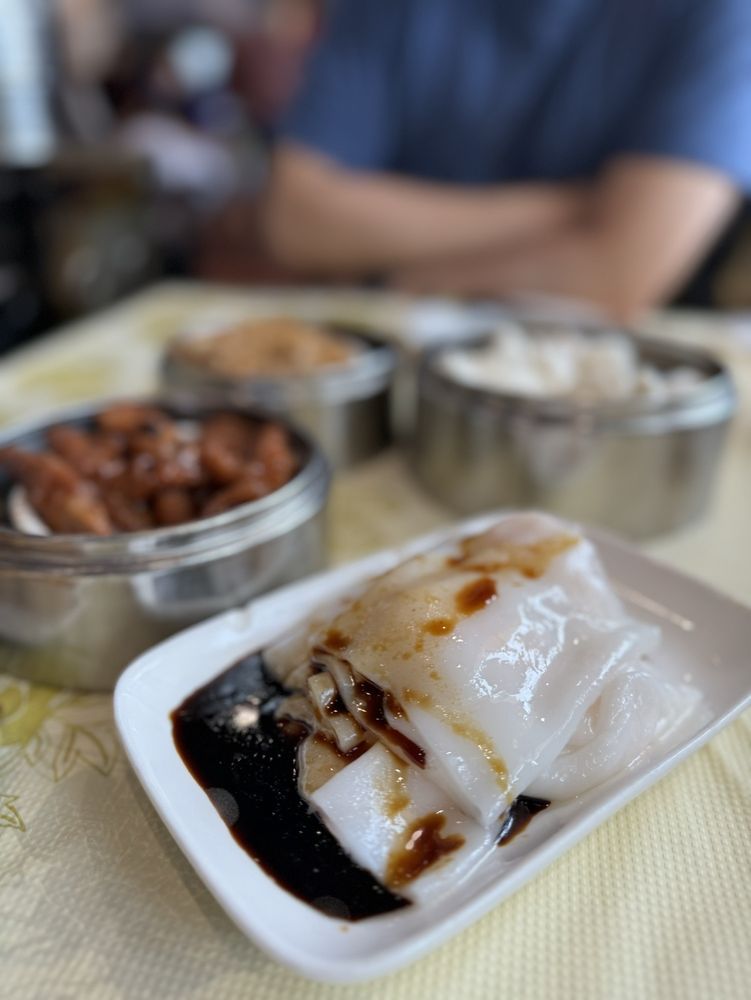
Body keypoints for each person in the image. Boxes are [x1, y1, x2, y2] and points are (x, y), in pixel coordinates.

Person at [261, 0, 751, 320]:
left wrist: (397, 276)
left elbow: (617, 278)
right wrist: (585, 211)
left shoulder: (723, 13)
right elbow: (296, 220)